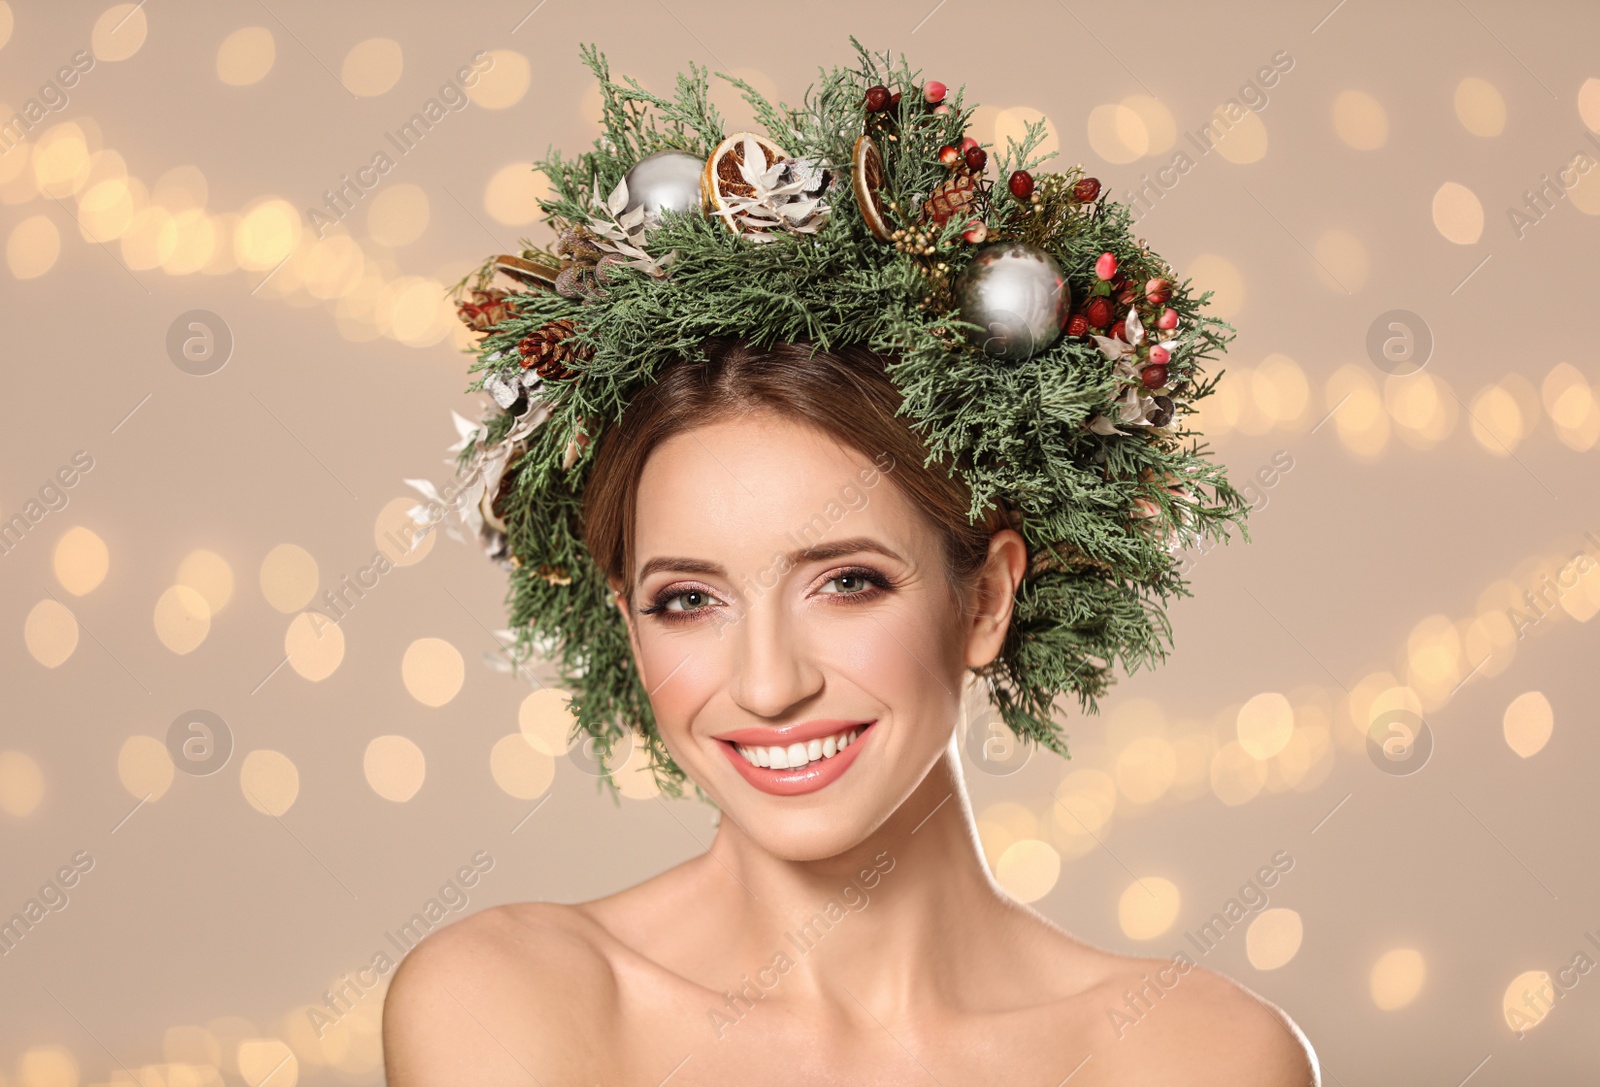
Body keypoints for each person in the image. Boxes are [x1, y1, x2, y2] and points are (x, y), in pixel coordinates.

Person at [382, 340, 1319, 1085]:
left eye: (847, 582)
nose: (768, 684)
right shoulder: (512, 1002)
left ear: (984, 599)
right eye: (689, 601)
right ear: (630, 630)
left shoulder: (1198, 1056)